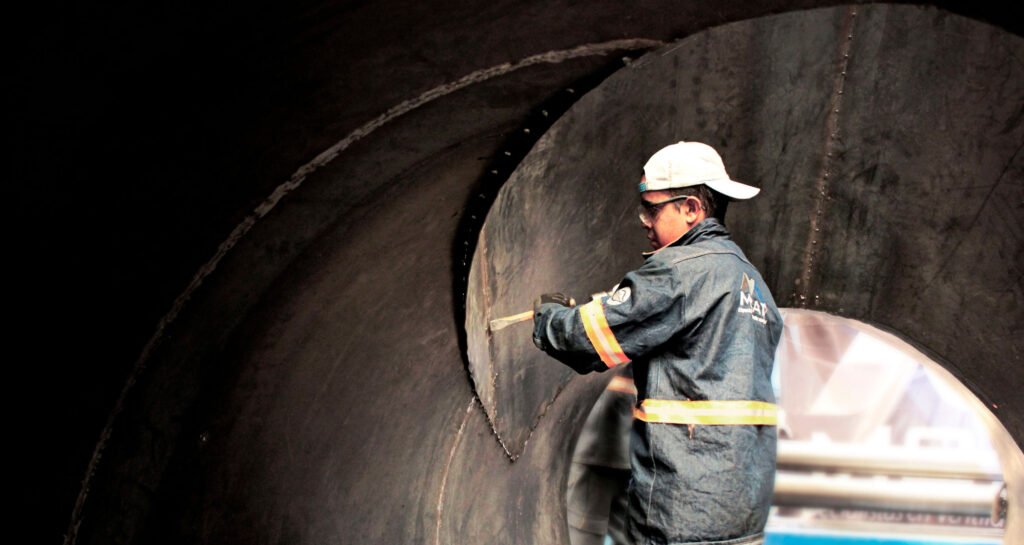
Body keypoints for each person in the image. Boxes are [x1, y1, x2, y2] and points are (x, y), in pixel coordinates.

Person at [533, 141, 783, 545]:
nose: (643, 220)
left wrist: (548, 317)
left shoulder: (679, 271)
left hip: (682, 511)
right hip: (743, 513)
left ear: (691, 209)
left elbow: (585, 340)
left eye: (653, 209)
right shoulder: (751, 282)